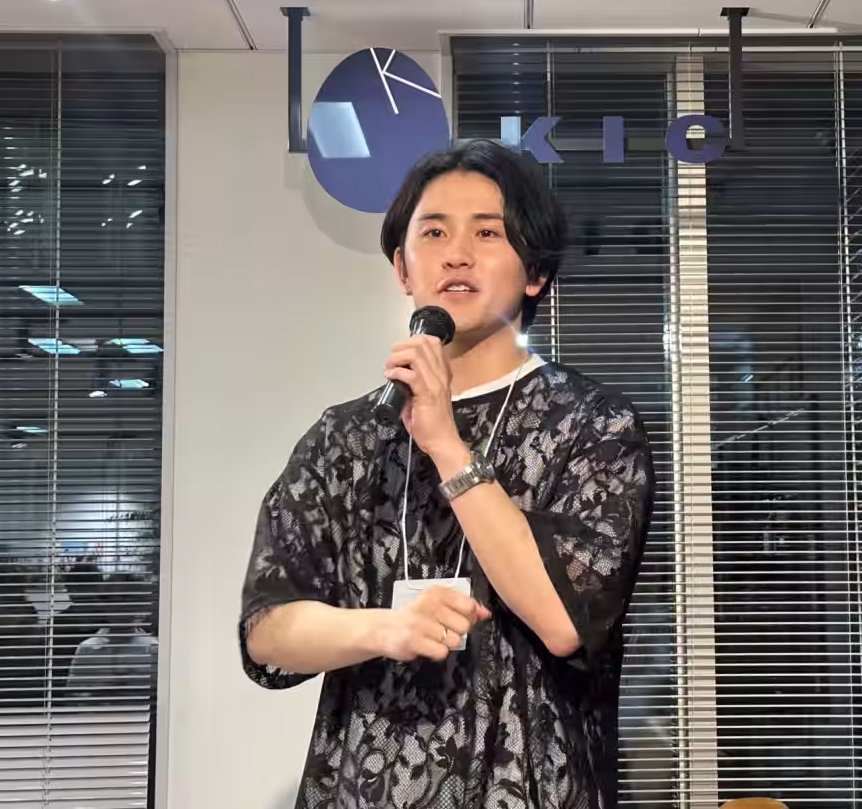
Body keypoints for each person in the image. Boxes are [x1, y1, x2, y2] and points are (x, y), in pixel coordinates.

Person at [239, 139, 654, 809]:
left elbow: (563, 621)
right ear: (403, 268)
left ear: (534, 272)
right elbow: (267, 632)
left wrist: (445, 444)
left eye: (487, 233)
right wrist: (382, 629)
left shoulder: (595, 423)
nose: (457, 253)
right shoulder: (346, 436)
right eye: (433, 232)